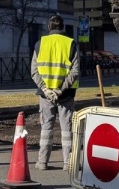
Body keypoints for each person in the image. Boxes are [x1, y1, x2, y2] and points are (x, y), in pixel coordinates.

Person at [30, 14, 81, 170]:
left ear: (49, 27)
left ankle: (43, 162)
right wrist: (60, 89)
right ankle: (68, 164)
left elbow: (34, 71)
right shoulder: (71, 44)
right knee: (67, 130)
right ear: (63, 27)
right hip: (65, 95)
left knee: (46, 129)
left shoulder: (40, 44)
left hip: (46, 96)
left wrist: (46, 89)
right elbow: (75, 71)